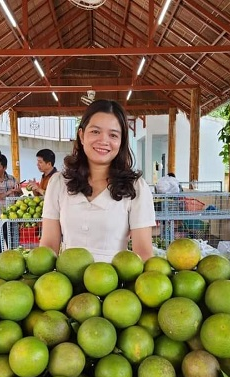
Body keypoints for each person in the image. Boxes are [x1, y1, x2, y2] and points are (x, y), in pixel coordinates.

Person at [40, 99, 156, 262]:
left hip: (114, 284)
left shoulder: (136, 188)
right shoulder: (59, 183)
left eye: (113, 135)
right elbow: (49, 245)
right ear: (81, 135)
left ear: (121, 141)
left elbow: (143, 253)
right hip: (65, 284)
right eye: (95, 131)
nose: (103, 140)